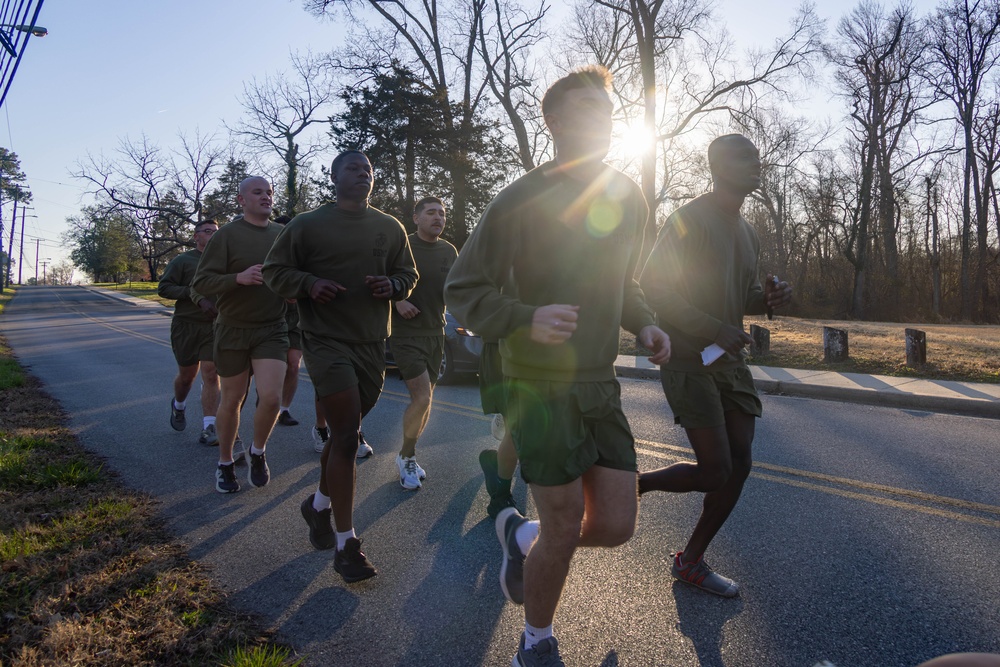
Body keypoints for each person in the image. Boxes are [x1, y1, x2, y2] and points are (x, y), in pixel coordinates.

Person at [445, 66, 671, 667]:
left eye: (608, 107)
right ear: (555, 121)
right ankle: (535, 642)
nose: (603, 117)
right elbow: (463, 287)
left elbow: (623, 281)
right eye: (587, 108)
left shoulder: (628, 195)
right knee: (566, 520)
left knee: (617, 524)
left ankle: (520, 537)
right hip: (538, 385)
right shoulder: (520, 198)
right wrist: (523, 317)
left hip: (601, 382)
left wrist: (643, 321)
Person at [637, 133, 792, 597]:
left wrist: (767, 299)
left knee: (740, 462)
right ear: (718, 166)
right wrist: (711, 327)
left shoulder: (749, 231)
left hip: (728, 360)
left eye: (758, 159)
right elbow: (653, 287)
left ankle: (691, 561)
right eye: (744, 158)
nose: (756, 165)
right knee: (714, 470)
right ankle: (636, 485)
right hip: (687, 359)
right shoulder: (689, 220)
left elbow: (737, 295)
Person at [263, 150, 417, 584]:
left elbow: (409, 274)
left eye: (369, 169)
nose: (363, 174)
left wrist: (393, 284)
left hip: (372, 343)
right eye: (353, 168)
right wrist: (309, 283)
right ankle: (347, 544)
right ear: (333, 177)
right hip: (324, 340)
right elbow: (276, 272)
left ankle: (317, 506)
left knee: (345, 434)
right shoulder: (307, 225)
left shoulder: (390, 227)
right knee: (347, 435)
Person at [192, 176, 288, 494]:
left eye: (269, 192)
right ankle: (224, 463)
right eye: (258, 192)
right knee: (233, 399)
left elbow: (293, 273)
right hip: (232, 328)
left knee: (272, 397)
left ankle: (257, 452)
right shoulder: (227, 236)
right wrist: (238, 278)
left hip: (272, 327)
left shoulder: (282, 234)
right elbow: (203, 282)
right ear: (241, 200)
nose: (265, 197)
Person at [388, 195, 457, 489]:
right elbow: (379, 281)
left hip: (435, 332)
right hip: (405, 334)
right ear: (416, 219)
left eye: (441, 213)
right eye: (430, 213)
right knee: (422, 398)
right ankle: (406, 456)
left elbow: (455, 290)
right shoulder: (402, 247)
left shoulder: (449, 251)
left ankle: (408, 454)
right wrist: (397, 300)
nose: (438, 218)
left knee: (427, 400)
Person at [158, 219, 222, 446]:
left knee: (211, 372)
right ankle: (179, 405)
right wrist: (194, 294)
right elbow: (164, 288)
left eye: (216, 231)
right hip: (185, 325)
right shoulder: (182, 260)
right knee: (187, 378)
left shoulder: (223, 261)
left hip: (213, 326)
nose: (213, 235)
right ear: (196, 236)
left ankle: (209, 427)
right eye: (207, 231)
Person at [478, 337, 519, 519]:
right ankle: (501, 499)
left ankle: (497, 461)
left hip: (536, 355)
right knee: (519, 428)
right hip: (506, 353)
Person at [272, 215, 302, 428]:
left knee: (293, 365)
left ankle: (284, 410)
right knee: (273, 366)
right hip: (271, 316)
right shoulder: (268, 254)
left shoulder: (303, 253)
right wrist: (279, 292)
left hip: (296, 319)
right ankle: (266, 400)